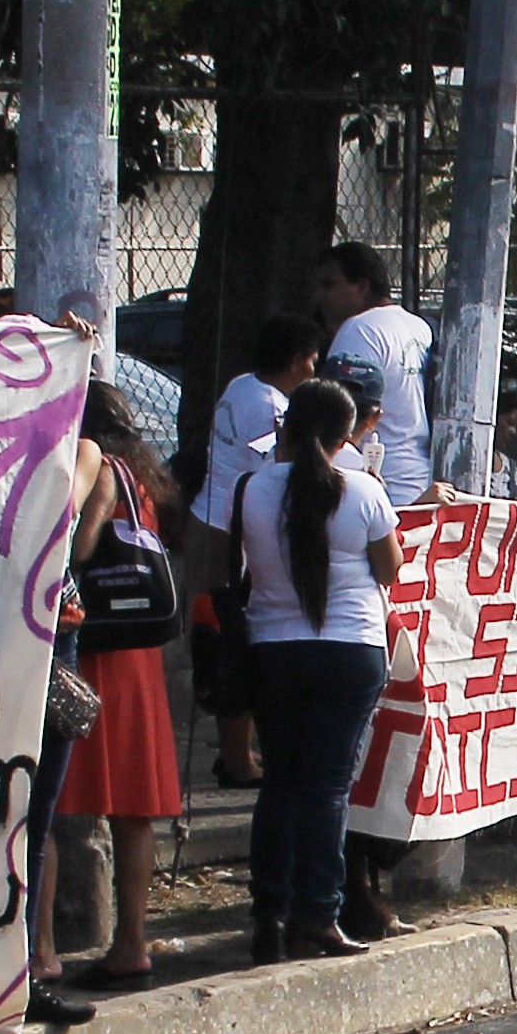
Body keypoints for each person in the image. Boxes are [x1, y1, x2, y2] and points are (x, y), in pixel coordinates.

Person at [231, 379, 400, 963]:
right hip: (350, 651)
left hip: (273, 649)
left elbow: (234, 566)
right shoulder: (364, 490)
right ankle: (318, 915)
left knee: (280, 783)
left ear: (285, 426)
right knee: (328, 788)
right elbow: (389, 568)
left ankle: (268, 916)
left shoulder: (250, 488)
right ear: (347, 437)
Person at [53, 382, 185, 989]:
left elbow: (80, 548)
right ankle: (131, 939)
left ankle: (46, 948)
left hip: (98, 652)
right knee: (135, 805)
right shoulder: (143, 481)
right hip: (139, 655)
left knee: (60, 802)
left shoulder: (99, 470)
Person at [195, 312, 322, 787]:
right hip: (231, 533)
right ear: (295, 361)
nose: (315, 369)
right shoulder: (271, 407)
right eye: (312, 360)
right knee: (233, 642)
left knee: (221, 638)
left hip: (212, 517)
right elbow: (272, 472)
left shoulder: (242, 385)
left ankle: (236, 751)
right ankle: (237, 759)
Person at [310, 241, 438, 504]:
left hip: (375, 485)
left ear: (362, 286)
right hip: (418, 480)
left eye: (329, 284)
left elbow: (333, 416)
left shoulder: (360, 330)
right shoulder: (419, 327)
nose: (321, 296)